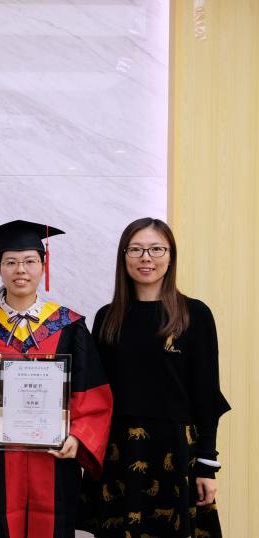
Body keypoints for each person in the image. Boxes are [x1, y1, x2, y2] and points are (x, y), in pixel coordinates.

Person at [79, 217, 230, 537]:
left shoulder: (195, 315)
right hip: (118, 452)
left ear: (171, 256)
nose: (146, 258)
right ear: (123, 257)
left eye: (156, 249)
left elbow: (206, 395)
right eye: (136, 249)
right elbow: (94, 393)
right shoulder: (107, 317)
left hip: (176, 451)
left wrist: (207, 464)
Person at [0, 219, 112, 537]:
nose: (21, 270)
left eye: (30, 261)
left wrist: (79, 437)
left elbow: (92, 392)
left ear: (43, 266)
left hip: (55, 459)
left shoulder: (69, 326)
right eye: (11, 262)